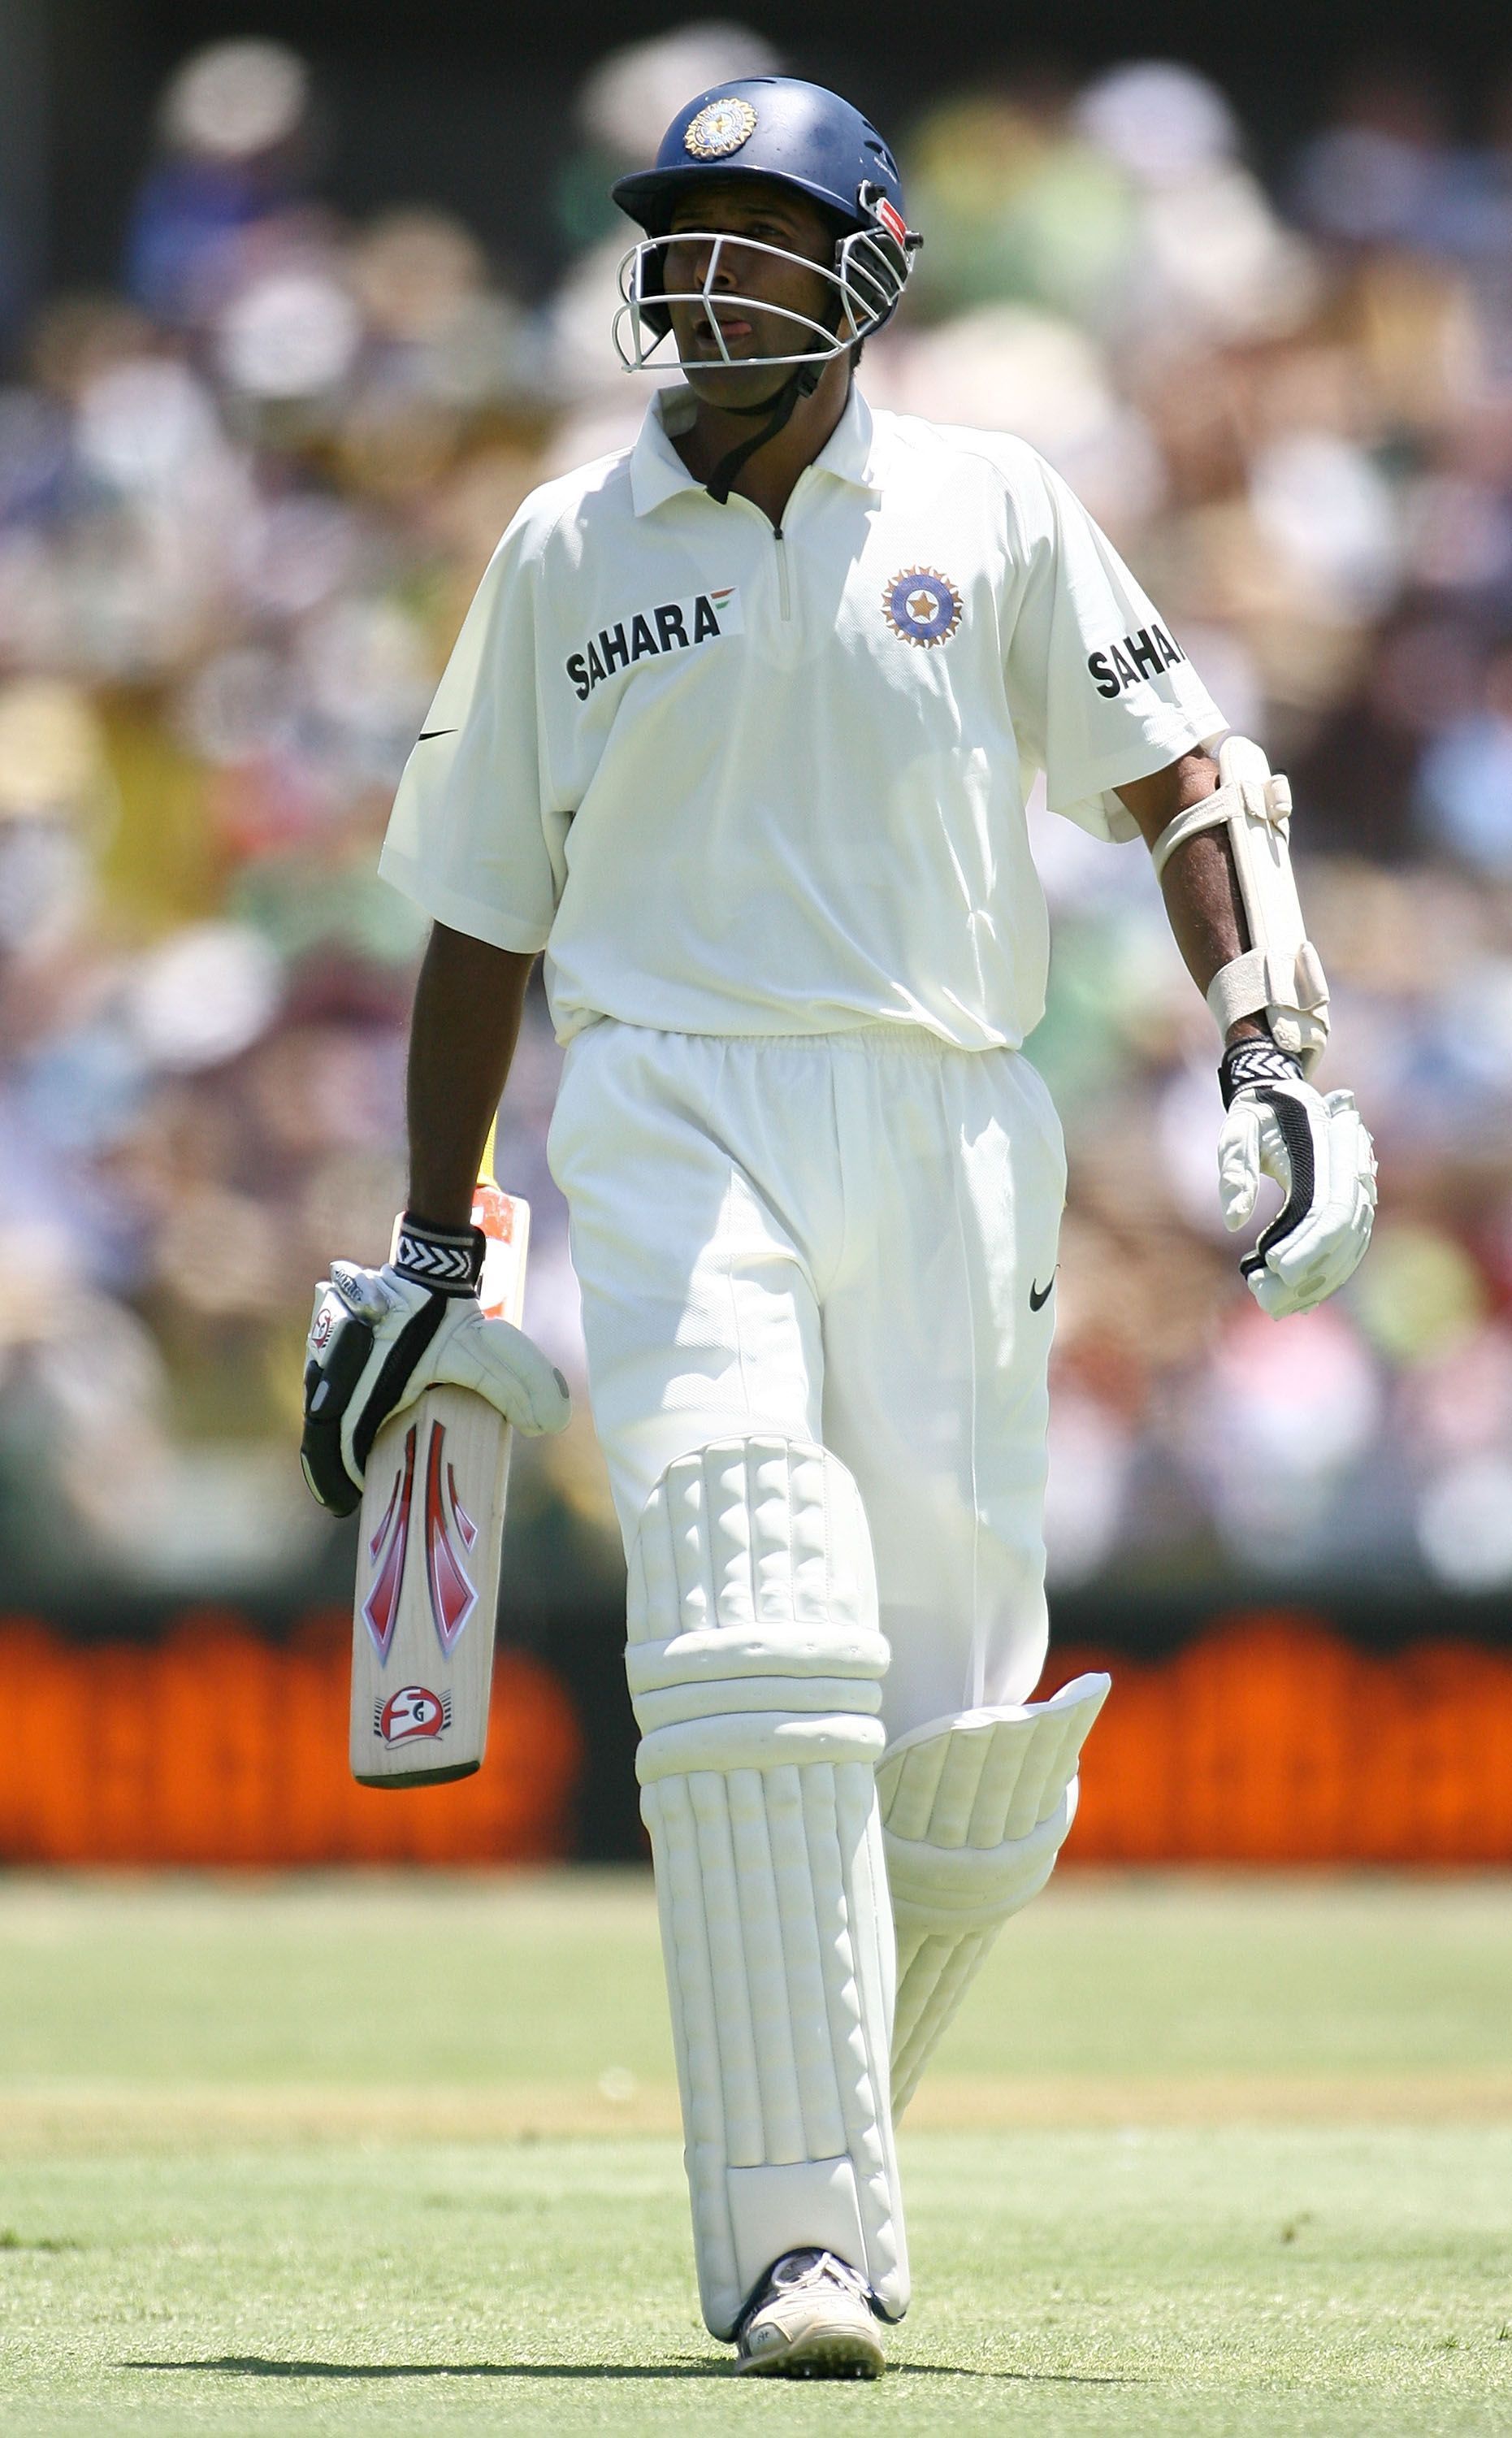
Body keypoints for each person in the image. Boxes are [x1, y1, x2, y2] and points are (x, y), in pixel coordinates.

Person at [300, 77, 1376, 2378]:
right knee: (743, 1576)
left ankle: (817, 2134)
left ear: (866, 270)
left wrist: (1270, 1041)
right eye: (679, 240)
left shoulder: (988, 506)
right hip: (675, 1110)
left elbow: (1184, 776)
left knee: (963, 1741)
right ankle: (799, 2246)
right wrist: (431, 1237)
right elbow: (482, 920)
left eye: (755, 240)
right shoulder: (564, 544)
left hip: (950, 1120)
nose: (700, 279)